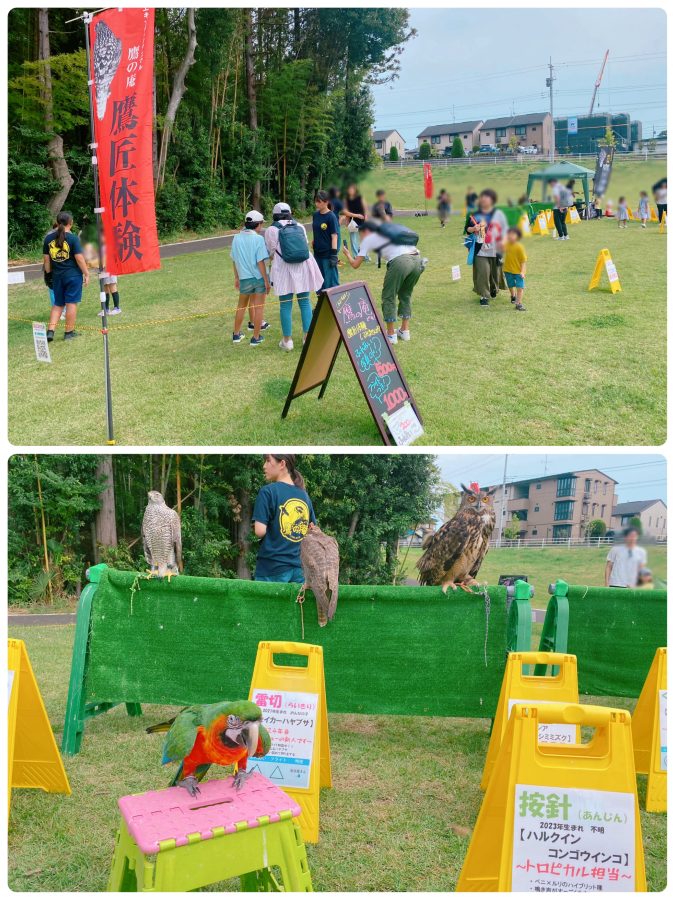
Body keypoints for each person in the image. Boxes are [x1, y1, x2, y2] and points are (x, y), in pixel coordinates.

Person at [342, 219, 423, 343]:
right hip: (418, 260)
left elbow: (355, 264)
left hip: (400, 261)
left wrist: (347, 254)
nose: (360, 236)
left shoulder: (368, 239)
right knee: (405, 294)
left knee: (388, 296)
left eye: (361, 232)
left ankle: (391, 334)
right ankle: (404, 331)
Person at [265, 201, 323, 351]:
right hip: (302, 267)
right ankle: (307, 338)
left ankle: (287, 341)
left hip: (283, 268)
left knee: (285, 305)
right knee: (305, 302)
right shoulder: (300, 226)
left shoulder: (271, 230)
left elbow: (271, 253)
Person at [253, 454, 316, 583]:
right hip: (300, 571)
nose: (264, 466)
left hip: (271, 569)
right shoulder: (305, 496)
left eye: (268, 461)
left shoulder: (267, 492)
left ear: (282, 464)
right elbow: (312, 531)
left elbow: (259, 531)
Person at [43, 211, 89, 342]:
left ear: (57, 223)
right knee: (71, 303)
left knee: (58, 304)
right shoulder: (73, 238)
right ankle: (69, 332)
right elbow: (79, 258)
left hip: (57, 276)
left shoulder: (48, 239)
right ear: (71, 223)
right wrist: (86, 273)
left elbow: (46, 261)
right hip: (73, 276)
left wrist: (48, 275)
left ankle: (50, 331)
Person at [230, 210, 270, 346]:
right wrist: (266, 280)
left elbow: (234, 260)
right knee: (259, 307)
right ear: (257, 225)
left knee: (241, 306)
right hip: (258, 278)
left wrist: (236, 277)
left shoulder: (236, 238)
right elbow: (260, 262)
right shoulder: (258, 239)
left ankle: (236, 335)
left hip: (244, 278)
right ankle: (256, 337)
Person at [463, 188, 507, 308]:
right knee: (483, 272)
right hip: (480, 250)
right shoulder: (475, 214)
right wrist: (474, 229)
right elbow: (467, 229)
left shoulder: (498, 214)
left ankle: (494, 288)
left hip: (495, 249)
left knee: (495, 273)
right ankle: (484, 296)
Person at [312, 190, 340, 292]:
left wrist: (334, 255)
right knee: (319, 283)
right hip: (317, 254)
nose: (316, 204)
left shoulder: (331, 217)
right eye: (316, 201)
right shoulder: (315, 215)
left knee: (331, 283)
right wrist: (314, 241)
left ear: (326, 201)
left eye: (319, 201)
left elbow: (334, 237)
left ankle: (334, 307)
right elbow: (317, 231)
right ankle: (321, 307)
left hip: (328, 255)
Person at [503, 227, 527, 311]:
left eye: (513, 234)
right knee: (510, 285)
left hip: (518, 272)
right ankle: (513, 295)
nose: (510, 236)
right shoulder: (506, 244)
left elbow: (523, 261)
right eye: (509, 234)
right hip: (507, 270)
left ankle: (519, 303)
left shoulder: (519, 247)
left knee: (520, 287)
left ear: (518, 236)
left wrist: (523, 272)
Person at [343, 183, 367, 256]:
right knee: (353, 240)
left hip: (362, 220)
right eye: (349, 189)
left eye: (352, 189)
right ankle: (356, 256)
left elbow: (365, 208)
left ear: (355, 190)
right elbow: (345, 211)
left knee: (363, 239)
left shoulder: (360, 197)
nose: (350, 190)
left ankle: (365, 256)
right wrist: (348, 221)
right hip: (353, 221)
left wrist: (366, 218)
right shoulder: (346, 199)